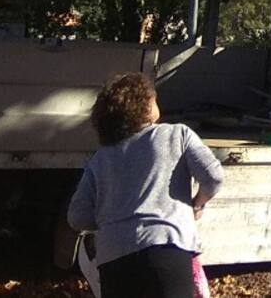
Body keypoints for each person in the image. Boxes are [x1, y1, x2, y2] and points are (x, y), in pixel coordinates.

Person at [68, 73, 224, 298]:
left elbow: (77, 217)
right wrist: (197, 204)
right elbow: (214, 177)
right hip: (166, 250)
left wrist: (112, 220)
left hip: (114, 263)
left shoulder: (100, 158)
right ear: (145, 106)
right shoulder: (177, 134)